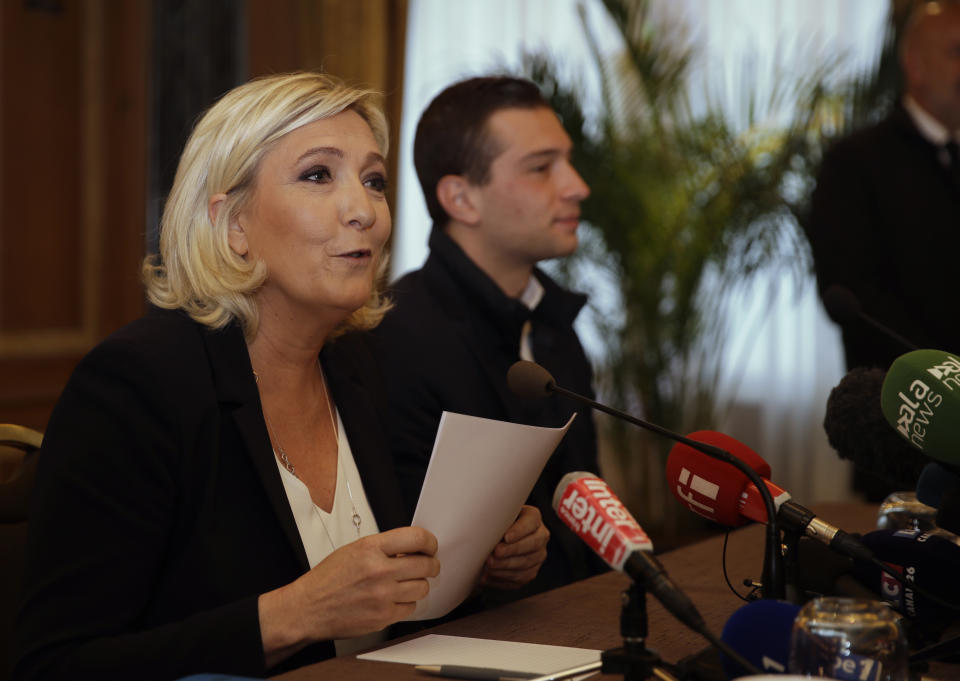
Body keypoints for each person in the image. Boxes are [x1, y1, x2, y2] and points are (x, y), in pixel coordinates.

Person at [13, 72, 548, 681]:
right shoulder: (135, 386)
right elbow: (52, 665)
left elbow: (382, 621)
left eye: (374, 181)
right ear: (232, 224)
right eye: (319, 175)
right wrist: (294, 614)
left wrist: (472, 567)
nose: (365, 211)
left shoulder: (359, 367)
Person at [363, 76, 607, 603]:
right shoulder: (399, 338)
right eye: (542, 168)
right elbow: (412, 563)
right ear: (460, 198)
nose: (576, 185)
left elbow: (585, 503)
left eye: (566, 161)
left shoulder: (554, 324)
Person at [806, 0, 960, 371]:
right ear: (915, 64)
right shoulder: (855, 162)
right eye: (957, 51)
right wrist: (947, 372)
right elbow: (854, 294)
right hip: (899, 404)